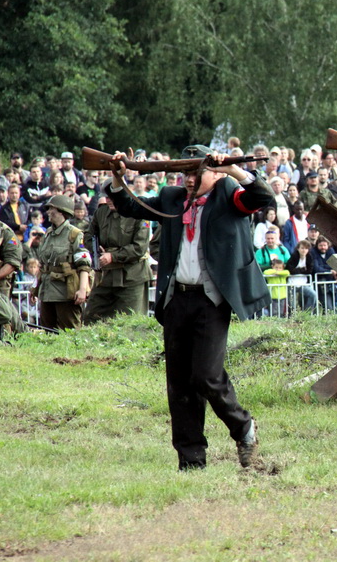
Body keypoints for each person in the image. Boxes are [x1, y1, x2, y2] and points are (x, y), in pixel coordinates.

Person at [108, 145, 272, 470]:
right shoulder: (172, 197)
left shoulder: (228, 193)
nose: (190, 179)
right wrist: (117, 176)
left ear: (215, 173)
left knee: (207, 376)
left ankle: (244, 428)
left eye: (198, 172)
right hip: (176, 300)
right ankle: (191, 459)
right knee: (179, 384)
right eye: (187, 172)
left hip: (211, 300)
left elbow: (260, 196)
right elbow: (128, 204)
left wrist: (231, 170)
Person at [82, 188, 152, 324]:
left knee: (130, 323)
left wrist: (113, 256)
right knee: (91, 317)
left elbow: (139, 248)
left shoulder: (139, 213)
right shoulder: (101, 213)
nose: (109, 201)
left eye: (113, 197)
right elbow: (88, 236)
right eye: (107, 197)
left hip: (132, 277)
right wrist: (95, 249)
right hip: (106, 277)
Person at [29, 195, 92, 330]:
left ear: (62, 212)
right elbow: (42, 265)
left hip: (65, 293)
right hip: (46, 292)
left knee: (70, 332)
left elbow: (84, 265)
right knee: (48, 331)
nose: (49, 212)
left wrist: (82, 290)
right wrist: (35, 288)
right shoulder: (48, 233)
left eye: (52, 209)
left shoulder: (75, 235)